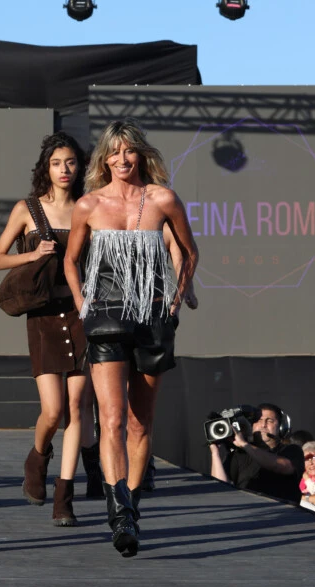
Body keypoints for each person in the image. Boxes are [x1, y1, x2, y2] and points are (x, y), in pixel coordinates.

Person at [63, 119, 198, 557]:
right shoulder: (88, 204)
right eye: (114, 153)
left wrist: (175, 302)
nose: (122, 160)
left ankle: (132, 509)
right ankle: (118, 512)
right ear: (104, 158)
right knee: (113, 419)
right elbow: (71, 261)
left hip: (154, 317)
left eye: (130, 152)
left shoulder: (162, 199)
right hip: (106, 317)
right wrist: (84, 302)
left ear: (141, 155)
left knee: (141, 423)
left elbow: (189, 251)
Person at [0, 132, 98, 526]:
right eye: (57, 163)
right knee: (51, 411)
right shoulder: (28, 209)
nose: (64, 170)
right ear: (46, 168)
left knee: (77, 408)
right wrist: (33, 253)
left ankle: (63, 496)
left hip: (79, 311)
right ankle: (37, 459)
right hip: (42, 315)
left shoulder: (89, 207)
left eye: (70, 162)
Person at [209, 403, 305, 505]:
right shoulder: (240, 454)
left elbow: (281, 466)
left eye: (270, 421)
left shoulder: (292, 450)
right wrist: (215, 453)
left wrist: (244, 444)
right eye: (259, 420)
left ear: (281, 427)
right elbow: (220, 487)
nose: (263, 425)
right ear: (252, 425)